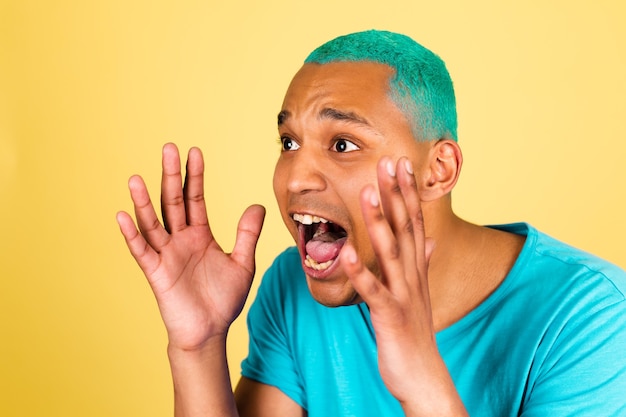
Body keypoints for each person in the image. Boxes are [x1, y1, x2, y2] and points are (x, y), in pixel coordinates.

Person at [116, 30, 626, 416]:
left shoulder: (591, 315)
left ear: (438, 169)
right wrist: (199, 346)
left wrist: (422, 376)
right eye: (288, 143)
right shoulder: (290, 287)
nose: (294, 177)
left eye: (342, 144)